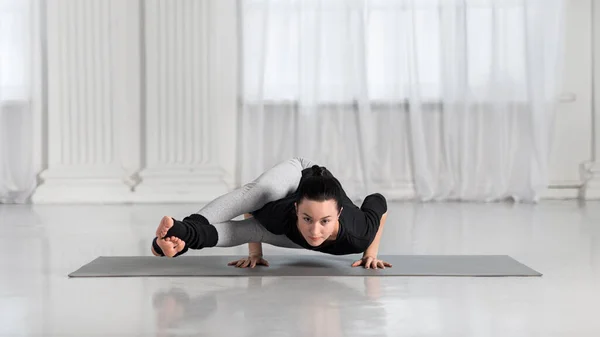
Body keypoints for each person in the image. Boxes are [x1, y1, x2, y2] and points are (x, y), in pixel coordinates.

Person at [150, 157, 391, 269]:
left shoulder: (359, 232)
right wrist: (255, 252)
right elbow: (248, 207)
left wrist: (371, 252)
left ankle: (176, 240)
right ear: (296, 210)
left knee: (255, 229)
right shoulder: (283, 214)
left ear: (338, 214)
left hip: (302, 218)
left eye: (324, 221)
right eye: (307, 219)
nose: (315, 231)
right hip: (300, 173)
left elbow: (377, 202)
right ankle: (182, 233)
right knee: (262, 194)